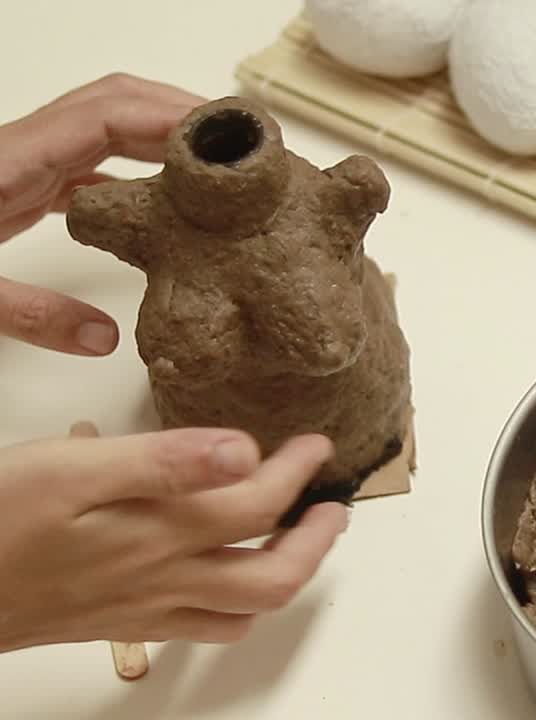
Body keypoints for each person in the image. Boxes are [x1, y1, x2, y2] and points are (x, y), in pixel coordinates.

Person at [0, 74, 349, 654]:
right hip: (219, 418)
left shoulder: (313, 212)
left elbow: (328, 342)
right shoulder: (165, 227)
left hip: (340, 411)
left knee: (324, 348)